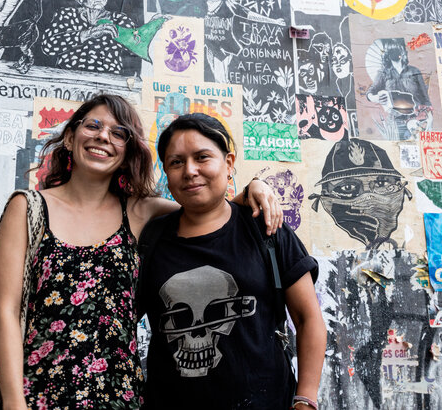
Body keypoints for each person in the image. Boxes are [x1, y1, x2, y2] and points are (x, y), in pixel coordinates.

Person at [0, 95, 282, 409]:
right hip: (39, 393)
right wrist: (13, 402)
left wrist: (254, 186)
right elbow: (6, 311)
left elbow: (206, 208)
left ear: (127, 150)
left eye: (118, 133)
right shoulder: (28, 208)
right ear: (71, 136)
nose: (104, 136)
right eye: (93, 126)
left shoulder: (140, 212)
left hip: (120, 396)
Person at [138, 113, 326, 409]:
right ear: (165, 171)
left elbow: (307, 318)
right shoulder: (150, 240)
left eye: (202, 157)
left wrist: (305, 400)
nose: (190, 171)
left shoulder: (265, 228)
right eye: (176, 162)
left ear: (228, 163)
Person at [41, 0, 135, 74]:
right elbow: (47, 47)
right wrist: (87, 34)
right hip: (69, 78)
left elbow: (136, 49)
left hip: (108, 81)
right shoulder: (67, 15)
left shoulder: (119, 19)